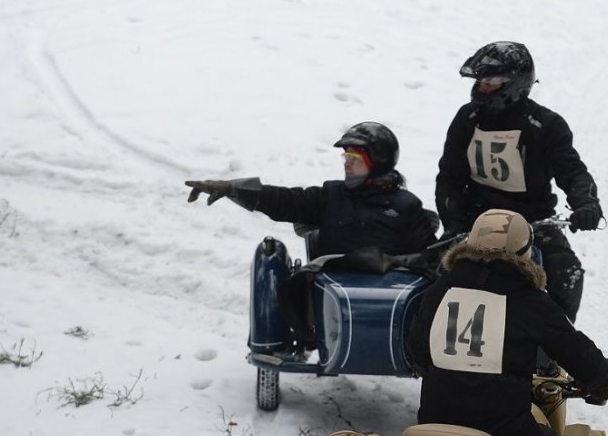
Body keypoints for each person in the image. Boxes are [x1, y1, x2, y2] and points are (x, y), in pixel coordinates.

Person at [185, 121, 439, 353]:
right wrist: (232, 189)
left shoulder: (406, 205)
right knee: (276, 261)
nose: (346, 163)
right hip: (332, 296)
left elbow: (428, 256)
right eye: (345, 157)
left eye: (354, 158)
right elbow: (286, 201)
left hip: (389, 305)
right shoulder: (331, 195)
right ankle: (287, 341)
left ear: (377, 162)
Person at [408, 209, 608, 436]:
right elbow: (573, 348)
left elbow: (417, 352)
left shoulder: (439, 290)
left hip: (435, 421)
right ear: (525, 252)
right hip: (506, 432)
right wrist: (605, 381)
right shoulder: (528, 300)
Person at [435, 41, 602, 322]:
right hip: (475, 221)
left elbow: (572, 171)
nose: (481, 88)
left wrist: (586, 203)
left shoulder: (547, 125)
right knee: (435, 272)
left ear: (515, 85)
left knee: (566, 272)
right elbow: (449, 178)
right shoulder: (467, 119)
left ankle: (554, 343)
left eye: (490, 83)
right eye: (480, 82)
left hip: (533, 223)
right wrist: (453, 222)